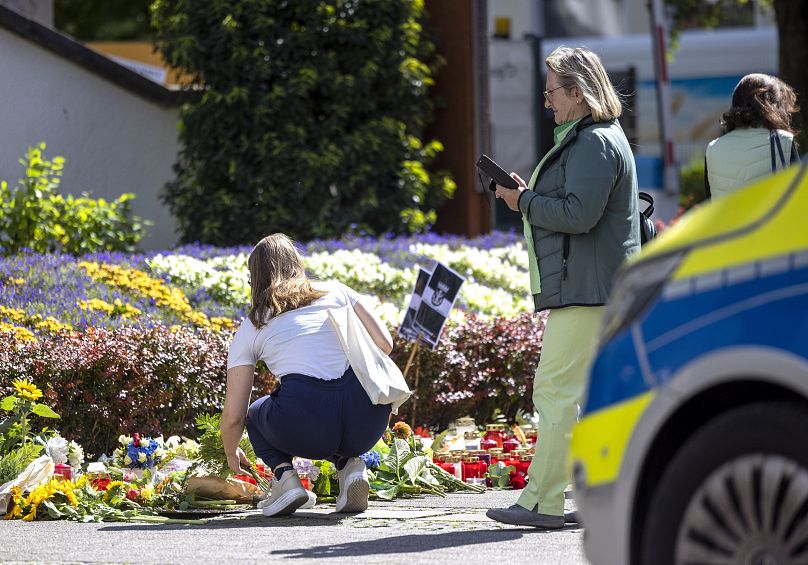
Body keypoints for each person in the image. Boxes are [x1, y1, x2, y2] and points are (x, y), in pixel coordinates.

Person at [487, 46, 640, 529]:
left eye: (553, 90)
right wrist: (526, 197)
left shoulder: (594, 142)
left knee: (553, 391)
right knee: (586, 397)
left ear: (578, 91)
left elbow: (579, 215)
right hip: (600, 286)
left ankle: (542, 502)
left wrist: (525, 200)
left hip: (588, 290)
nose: (547, 99)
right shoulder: (596, 138)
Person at [221, 233, 393, 517]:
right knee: (334, 413)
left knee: (256, 412)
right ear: (297, 263)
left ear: (256, 277)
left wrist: (230, 452)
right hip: (369, 418)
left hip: (308, 422)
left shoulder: (254, 324)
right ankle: (351, 467)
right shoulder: (338, 291)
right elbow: (385, 344)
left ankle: (285, 480)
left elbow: (234, 416)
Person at [705, 73, 800, 199]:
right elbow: (800, 197)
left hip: (732, 219)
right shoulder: (783, 141)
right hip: (771, 218)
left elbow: (709, 202)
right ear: (774, 105)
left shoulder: (713, 148)